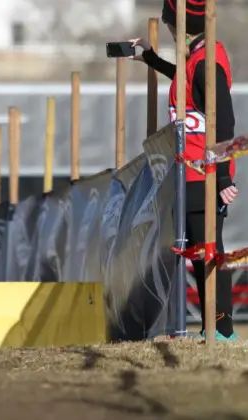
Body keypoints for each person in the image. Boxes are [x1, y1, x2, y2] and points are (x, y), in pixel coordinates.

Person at [130, 0, 239, 340]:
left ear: (180, 27)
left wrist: (221, 177)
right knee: (194, 251)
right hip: (187, 171)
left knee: (208, 250)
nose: (167, 30)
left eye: (169, 25)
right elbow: (182, 79)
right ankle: (210, 325)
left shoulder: (207, 61)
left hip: (204, 173)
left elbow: (225, 120)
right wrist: (149, 58)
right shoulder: (193, 59)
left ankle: (221, 329)